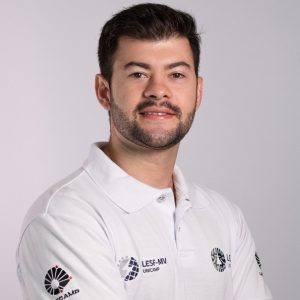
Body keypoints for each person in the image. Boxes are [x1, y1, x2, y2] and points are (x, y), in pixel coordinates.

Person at [16, 3, 273, 300]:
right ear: (104, 91)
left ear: (198, 92)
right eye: (138, 74)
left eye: (176, 75)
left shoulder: (225, 217)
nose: (158, 90)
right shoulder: (65, 218)